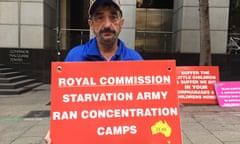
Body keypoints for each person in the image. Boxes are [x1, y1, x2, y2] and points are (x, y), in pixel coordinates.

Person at [44, 0, 143, 143]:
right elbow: (65, 104)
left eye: (113, 16)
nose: (107, 25)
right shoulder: (74, 57)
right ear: (91, 25)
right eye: (100, 17)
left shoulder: (136, 60)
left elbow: (144, 108)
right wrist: (56, 127)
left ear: (121, 23)